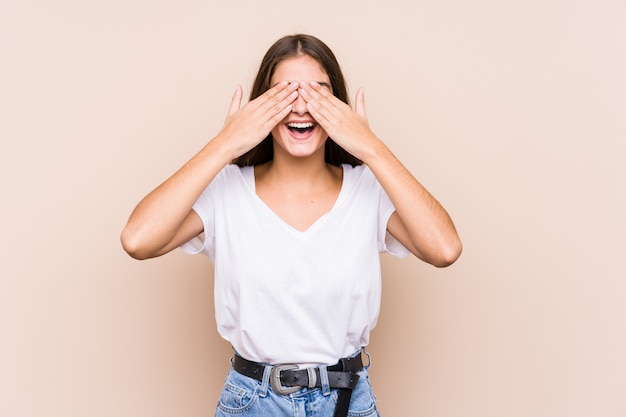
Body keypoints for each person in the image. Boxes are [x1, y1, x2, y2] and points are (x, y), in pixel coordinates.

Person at [121, 34, 462, 417]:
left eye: (318, 93)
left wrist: (371, 147)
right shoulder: (227, 191)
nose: (301, 106)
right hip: (252, 402)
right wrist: (224, 144)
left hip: (347, 401)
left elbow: (444, 249)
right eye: (284, 93)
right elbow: (137, 239)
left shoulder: (367, 189)